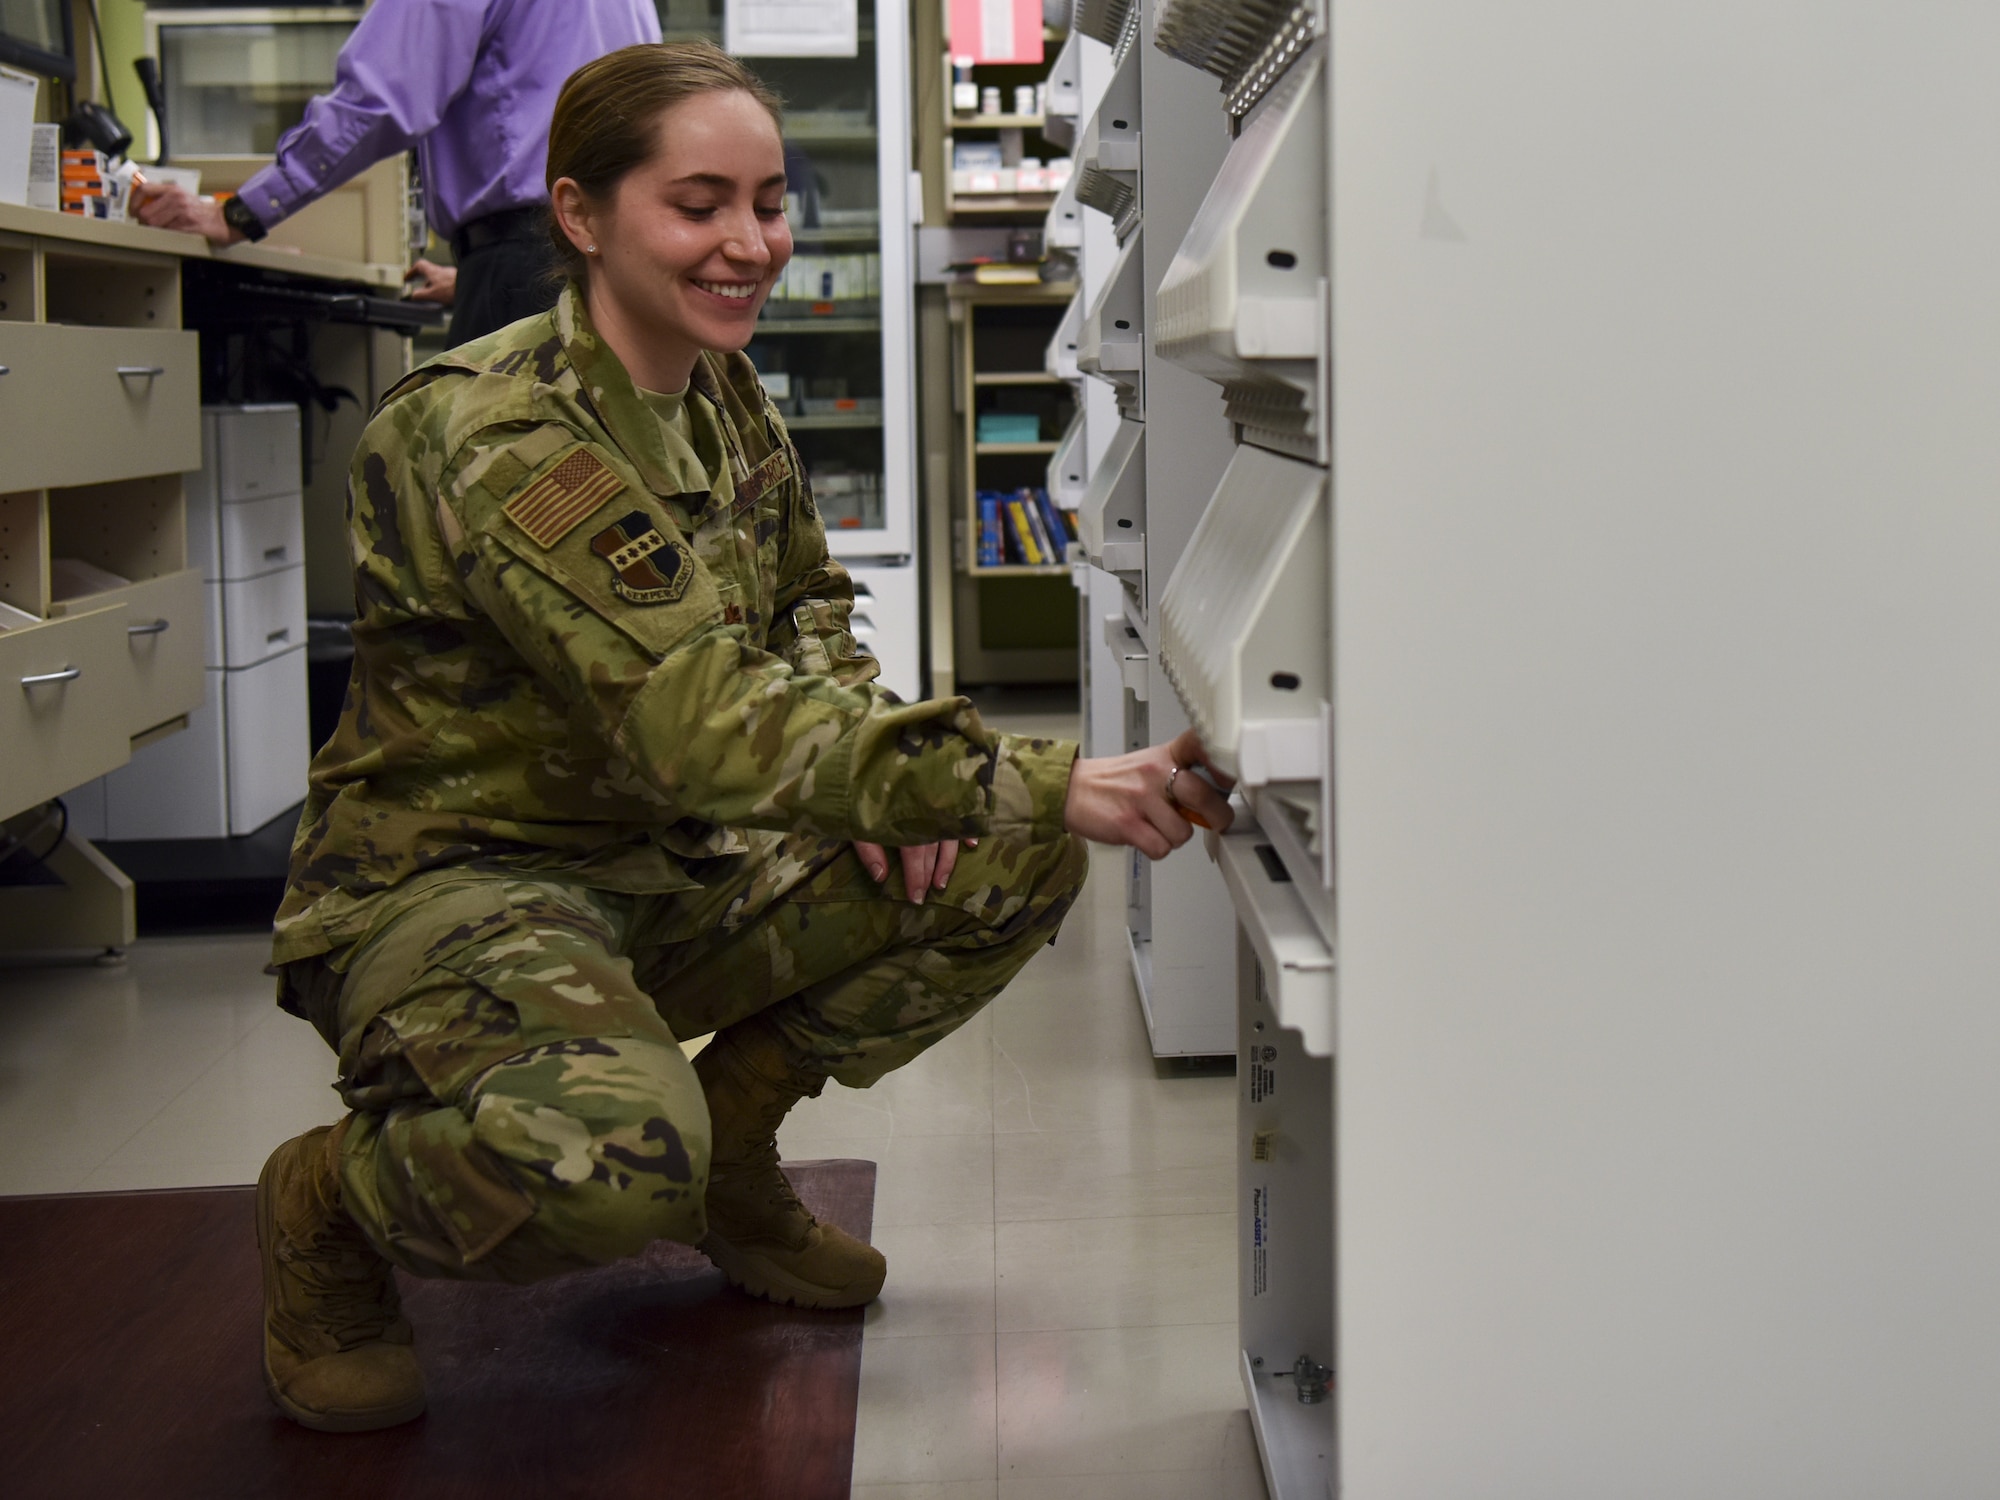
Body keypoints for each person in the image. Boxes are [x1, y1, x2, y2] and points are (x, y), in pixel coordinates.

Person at [256, 39, 1236, 1435]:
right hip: (460, 888)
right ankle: (331, 1207)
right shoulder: (495, 436)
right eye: (700, 203)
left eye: (769, 203)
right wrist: (1035, 773)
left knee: (1001, 859)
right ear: (583, 215)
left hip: (673, 863)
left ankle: (734, 1163)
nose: (750, 245)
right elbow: (697, 722)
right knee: (607, 1168)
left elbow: (805, 613)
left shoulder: (720, 395)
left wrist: (889, 785)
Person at [132, 0, 660, 345]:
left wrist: (241, 212)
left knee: (493, 495)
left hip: (527, 267)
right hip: (610, 262)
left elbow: (380, 101)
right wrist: (477, 276)